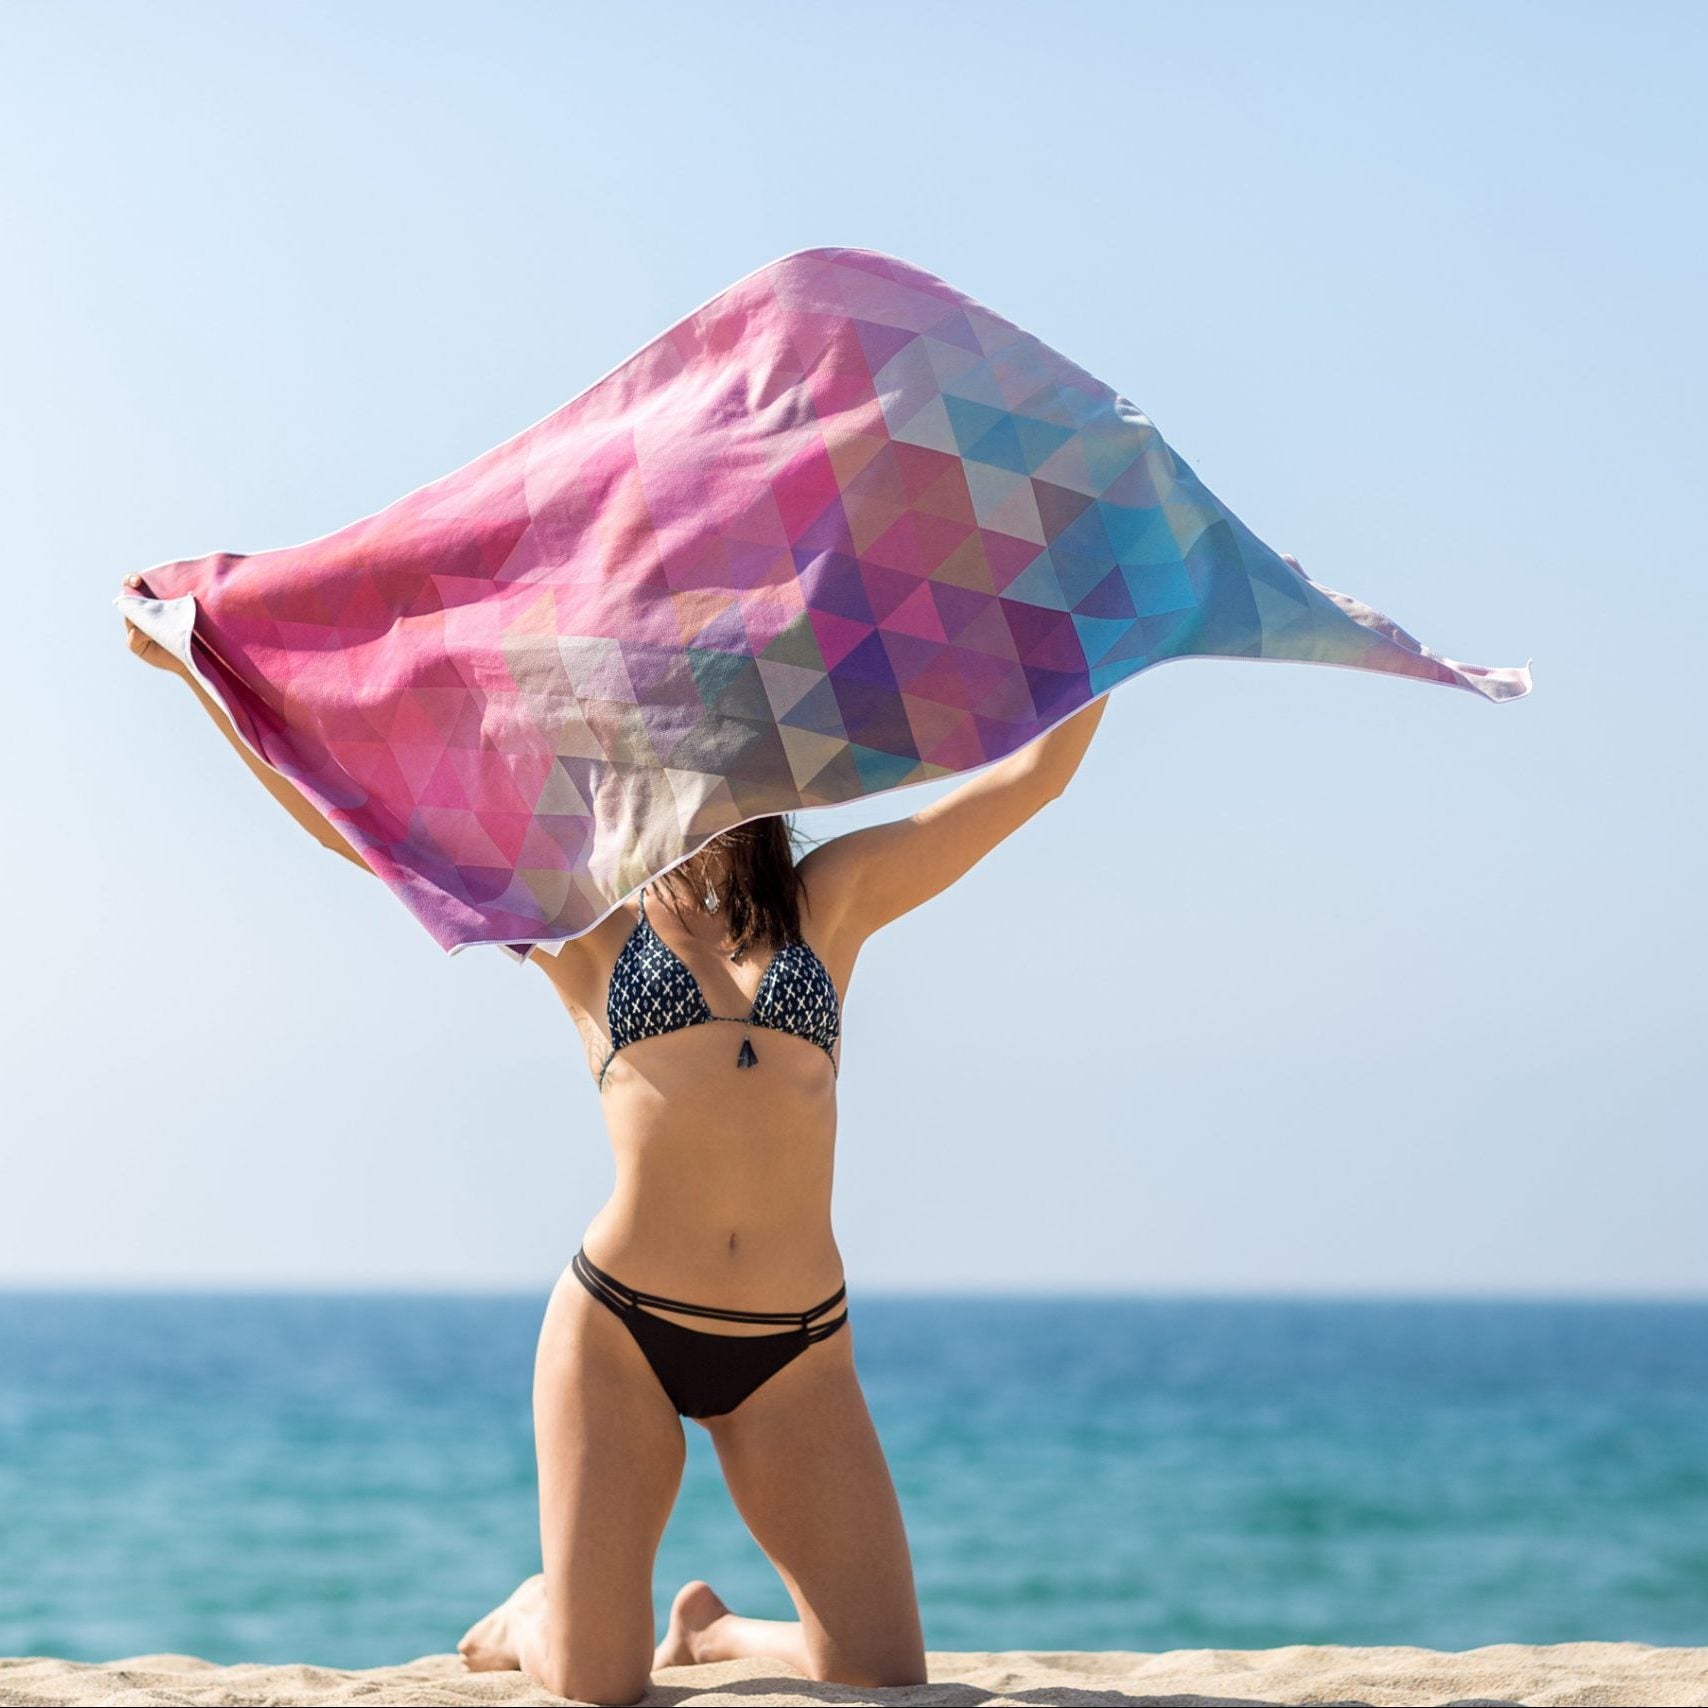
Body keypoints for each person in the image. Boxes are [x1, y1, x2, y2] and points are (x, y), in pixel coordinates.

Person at [120, 570, 1109, 1703]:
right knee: (598, 1684)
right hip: (621, 1331)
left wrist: (1114, 623)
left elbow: (1031, 779)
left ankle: (720, 1632)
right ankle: (534, 1611)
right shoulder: (581, 912)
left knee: (880, 1676)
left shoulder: (831, 899)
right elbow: (364, 828)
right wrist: (206, 678)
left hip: (799, 1348)